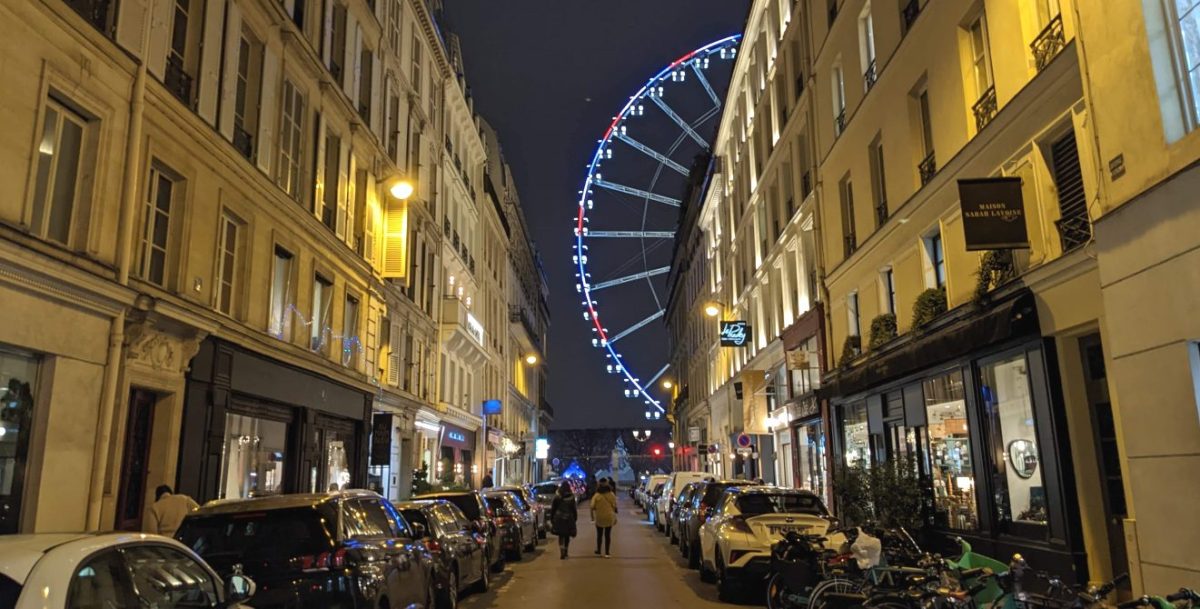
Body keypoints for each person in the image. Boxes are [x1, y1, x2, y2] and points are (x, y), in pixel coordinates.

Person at [549, 480, 578, 559]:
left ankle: (561, 550)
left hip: (559, 518)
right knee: (567, 535)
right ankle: (566, 550)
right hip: (569, 518)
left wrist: (552, 519)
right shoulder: (571, 497)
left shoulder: (557, 497)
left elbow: (553, 509)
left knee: (561, 535)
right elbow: (574, 509)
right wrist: (575, 518)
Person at [590, 478, 618, 558]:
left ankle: (599, 551)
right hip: (609, 517)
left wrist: (592, 516)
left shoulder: (597, 495)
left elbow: (592, 506)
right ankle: (607, 552)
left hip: (599, 517)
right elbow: (614, 505)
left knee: (599, 535)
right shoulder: (611, 494)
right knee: (607, 535)